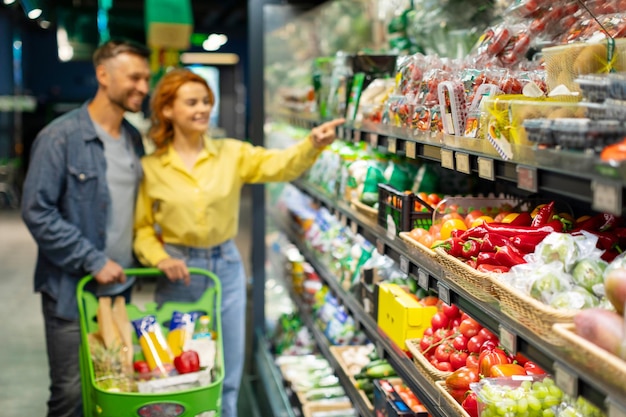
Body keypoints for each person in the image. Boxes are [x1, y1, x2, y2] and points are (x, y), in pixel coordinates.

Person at [133, 68, 344, 417]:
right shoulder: (153, 167)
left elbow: (278, 166)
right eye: (191, 102)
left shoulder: (231, 154)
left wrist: (312, 145)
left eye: (205, 101)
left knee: (227, 370)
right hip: (178, 272)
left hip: (226, 268)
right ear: (167, 110)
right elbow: (141, 229)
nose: (201, 109)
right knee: (178, 372)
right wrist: (159, 258)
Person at [21, 39, 151, 417]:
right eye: (134, 77)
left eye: (146, 78)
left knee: (114, 388)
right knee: (71, 396)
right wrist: (93, 260)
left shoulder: (132, 138)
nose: (143, 87)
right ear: (102, 75)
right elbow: (37, 210)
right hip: (70, 290)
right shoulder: (59, 138)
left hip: (120, 288)